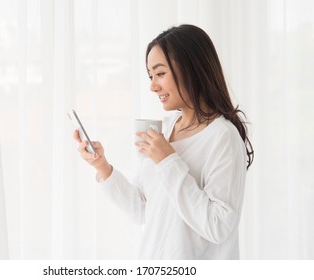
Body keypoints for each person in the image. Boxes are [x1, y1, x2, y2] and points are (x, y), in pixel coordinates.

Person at [73, 24, 254, 259]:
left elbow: (218, 226)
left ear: (191, 68)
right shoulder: (164, 129)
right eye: (150, 76)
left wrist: (167, 160)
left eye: (160, 74)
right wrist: (102, 167)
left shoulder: (222, 137)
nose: (152, 86)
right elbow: (143, 210)